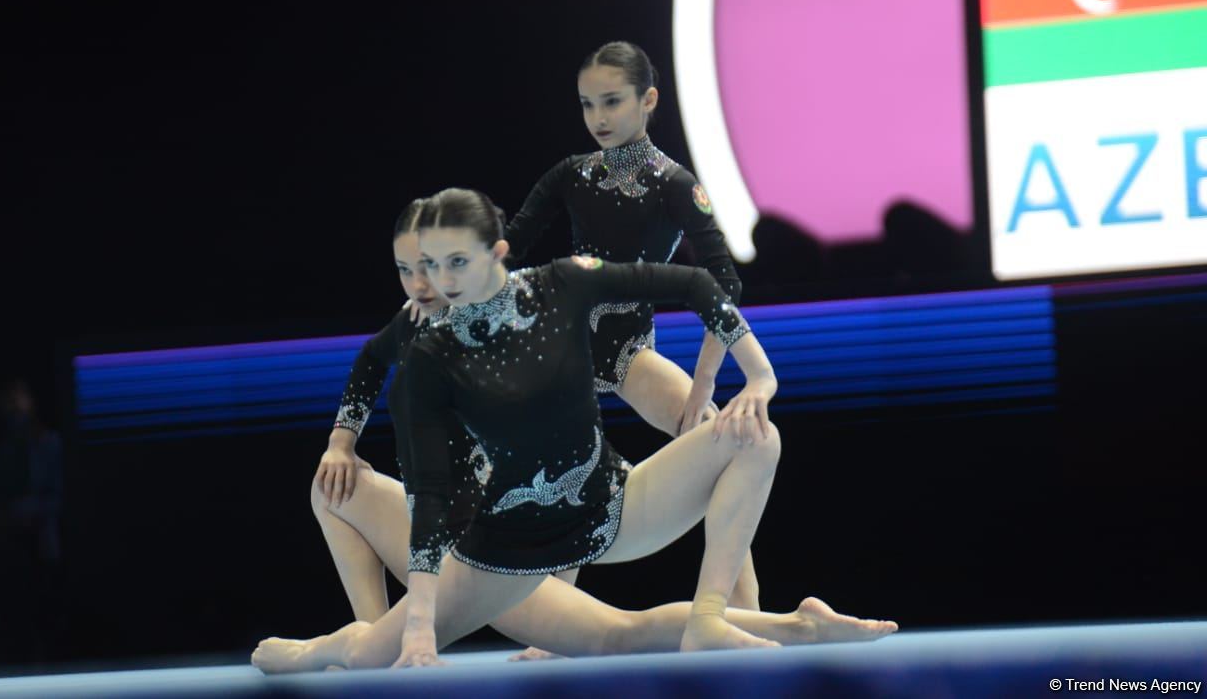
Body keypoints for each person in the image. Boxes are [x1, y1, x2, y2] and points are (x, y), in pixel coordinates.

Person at [255, 189, 896, 671]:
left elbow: (697, 282)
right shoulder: (426, 346)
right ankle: (346, 645)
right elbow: (425, 483)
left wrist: (759, 376)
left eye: (448, 264)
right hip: (497, 553)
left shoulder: (559, 283)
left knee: (757, 435)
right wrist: (417, 627)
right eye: (415, 269)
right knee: (617, 636)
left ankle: (719, 616)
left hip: (606, 504)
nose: (430, 284)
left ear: (496, 253)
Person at [503, 41, 761, 607]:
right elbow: (509, 247)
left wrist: (706, 380)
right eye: (587, 104)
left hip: (626, 350)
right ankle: (560, 627)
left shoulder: (672, 183)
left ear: (648, 100)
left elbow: (724, 283)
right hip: (564, 347)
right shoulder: (569, 175)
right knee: (559, 477)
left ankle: (743, 609)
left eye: (612, 102)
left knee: (722, 445)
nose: (598, 117)